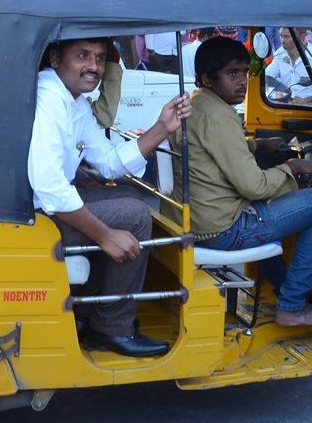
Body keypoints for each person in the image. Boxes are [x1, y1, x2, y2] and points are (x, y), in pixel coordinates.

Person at [28, 37, 192, 356]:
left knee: (130, 194)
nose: (94, 66)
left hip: (45, 205)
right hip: (35, 216)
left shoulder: (73, 100)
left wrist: (161, 128)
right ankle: (112, 327)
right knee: (135, 215)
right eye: (83, 56)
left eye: (100, 58)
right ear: (56, 58)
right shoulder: (49, 98)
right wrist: (105, 236)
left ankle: (88, 314)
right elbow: (50, 189)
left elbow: (107, 162)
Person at [170, 36, 312, 326]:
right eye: (231, 74)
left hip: (197, 221)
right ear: (207, 79)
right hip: (225, 229)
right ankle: (292, 304)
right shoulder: (220, 115)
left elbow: (215, 151)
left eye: (244, 73)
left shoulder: (198, 104)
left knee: (270, 208)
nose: (241, 82)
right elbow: (254, 186)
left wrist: (257, 146)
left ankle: (282, 285)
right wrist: (292, 166)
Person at [264, 27, 312, 105]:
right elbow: (267, 76)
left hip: (310, 110)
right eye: (281, 36)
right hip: (284, 106)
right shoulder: (280, 53)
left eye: (287, 36)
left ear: (302, 36)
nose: (282, 41)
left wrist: (306, 100)